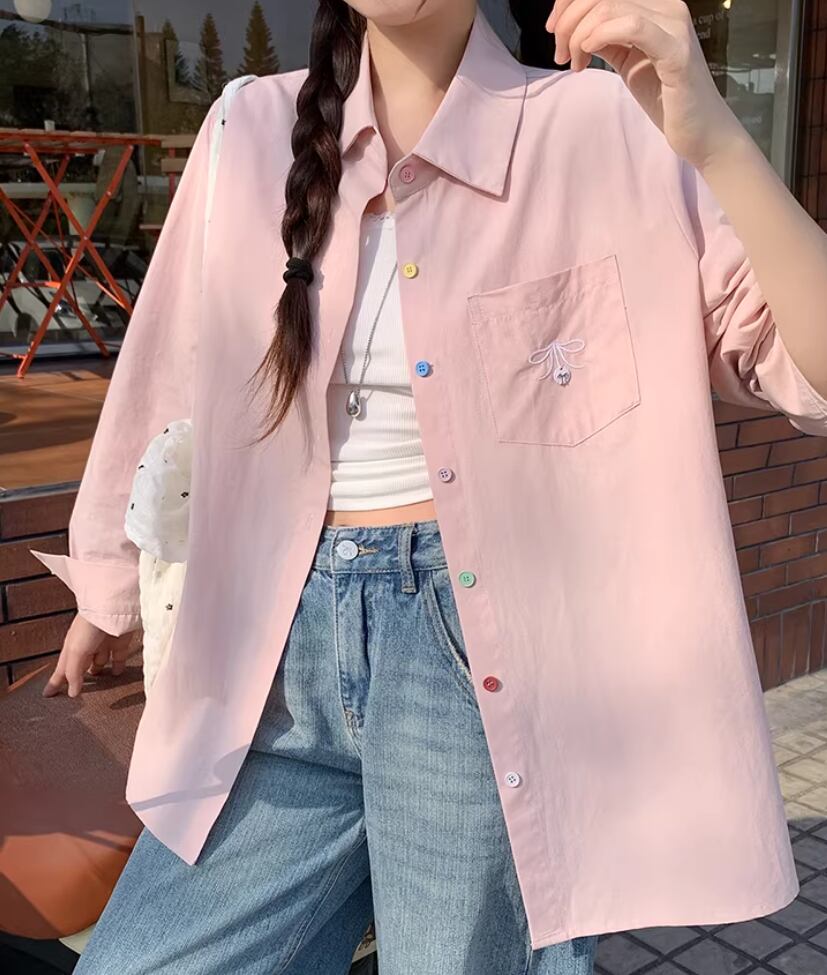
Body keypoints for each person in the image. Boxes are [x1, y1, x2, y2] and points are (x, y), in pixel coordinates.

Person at [30, 1, 827, 972]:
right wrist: (111, 587)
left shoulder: (606, 123)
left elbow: (807, 369)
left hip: (479, 660)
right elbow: (169, 364)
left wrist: (716, 141)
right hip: (266, 650)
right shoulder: (248, 126)